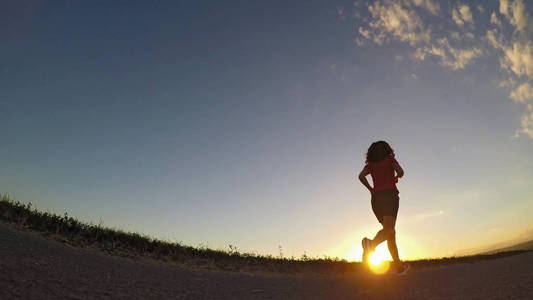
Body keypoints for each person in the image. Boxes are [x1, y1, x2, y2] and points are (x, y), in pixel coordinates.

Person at [358, 141, 409, 275]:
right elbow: (401, 172)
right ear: (387, 149)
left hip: (376, 199)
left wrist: (371, 189)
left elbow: (361, 176)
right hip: (389, 196)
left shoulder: (370, 165)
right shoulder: (390, 159)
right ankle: (371, 244)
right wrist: (396, 177)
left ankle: (399, 268)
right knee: (389, 230)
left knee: (390, 233)